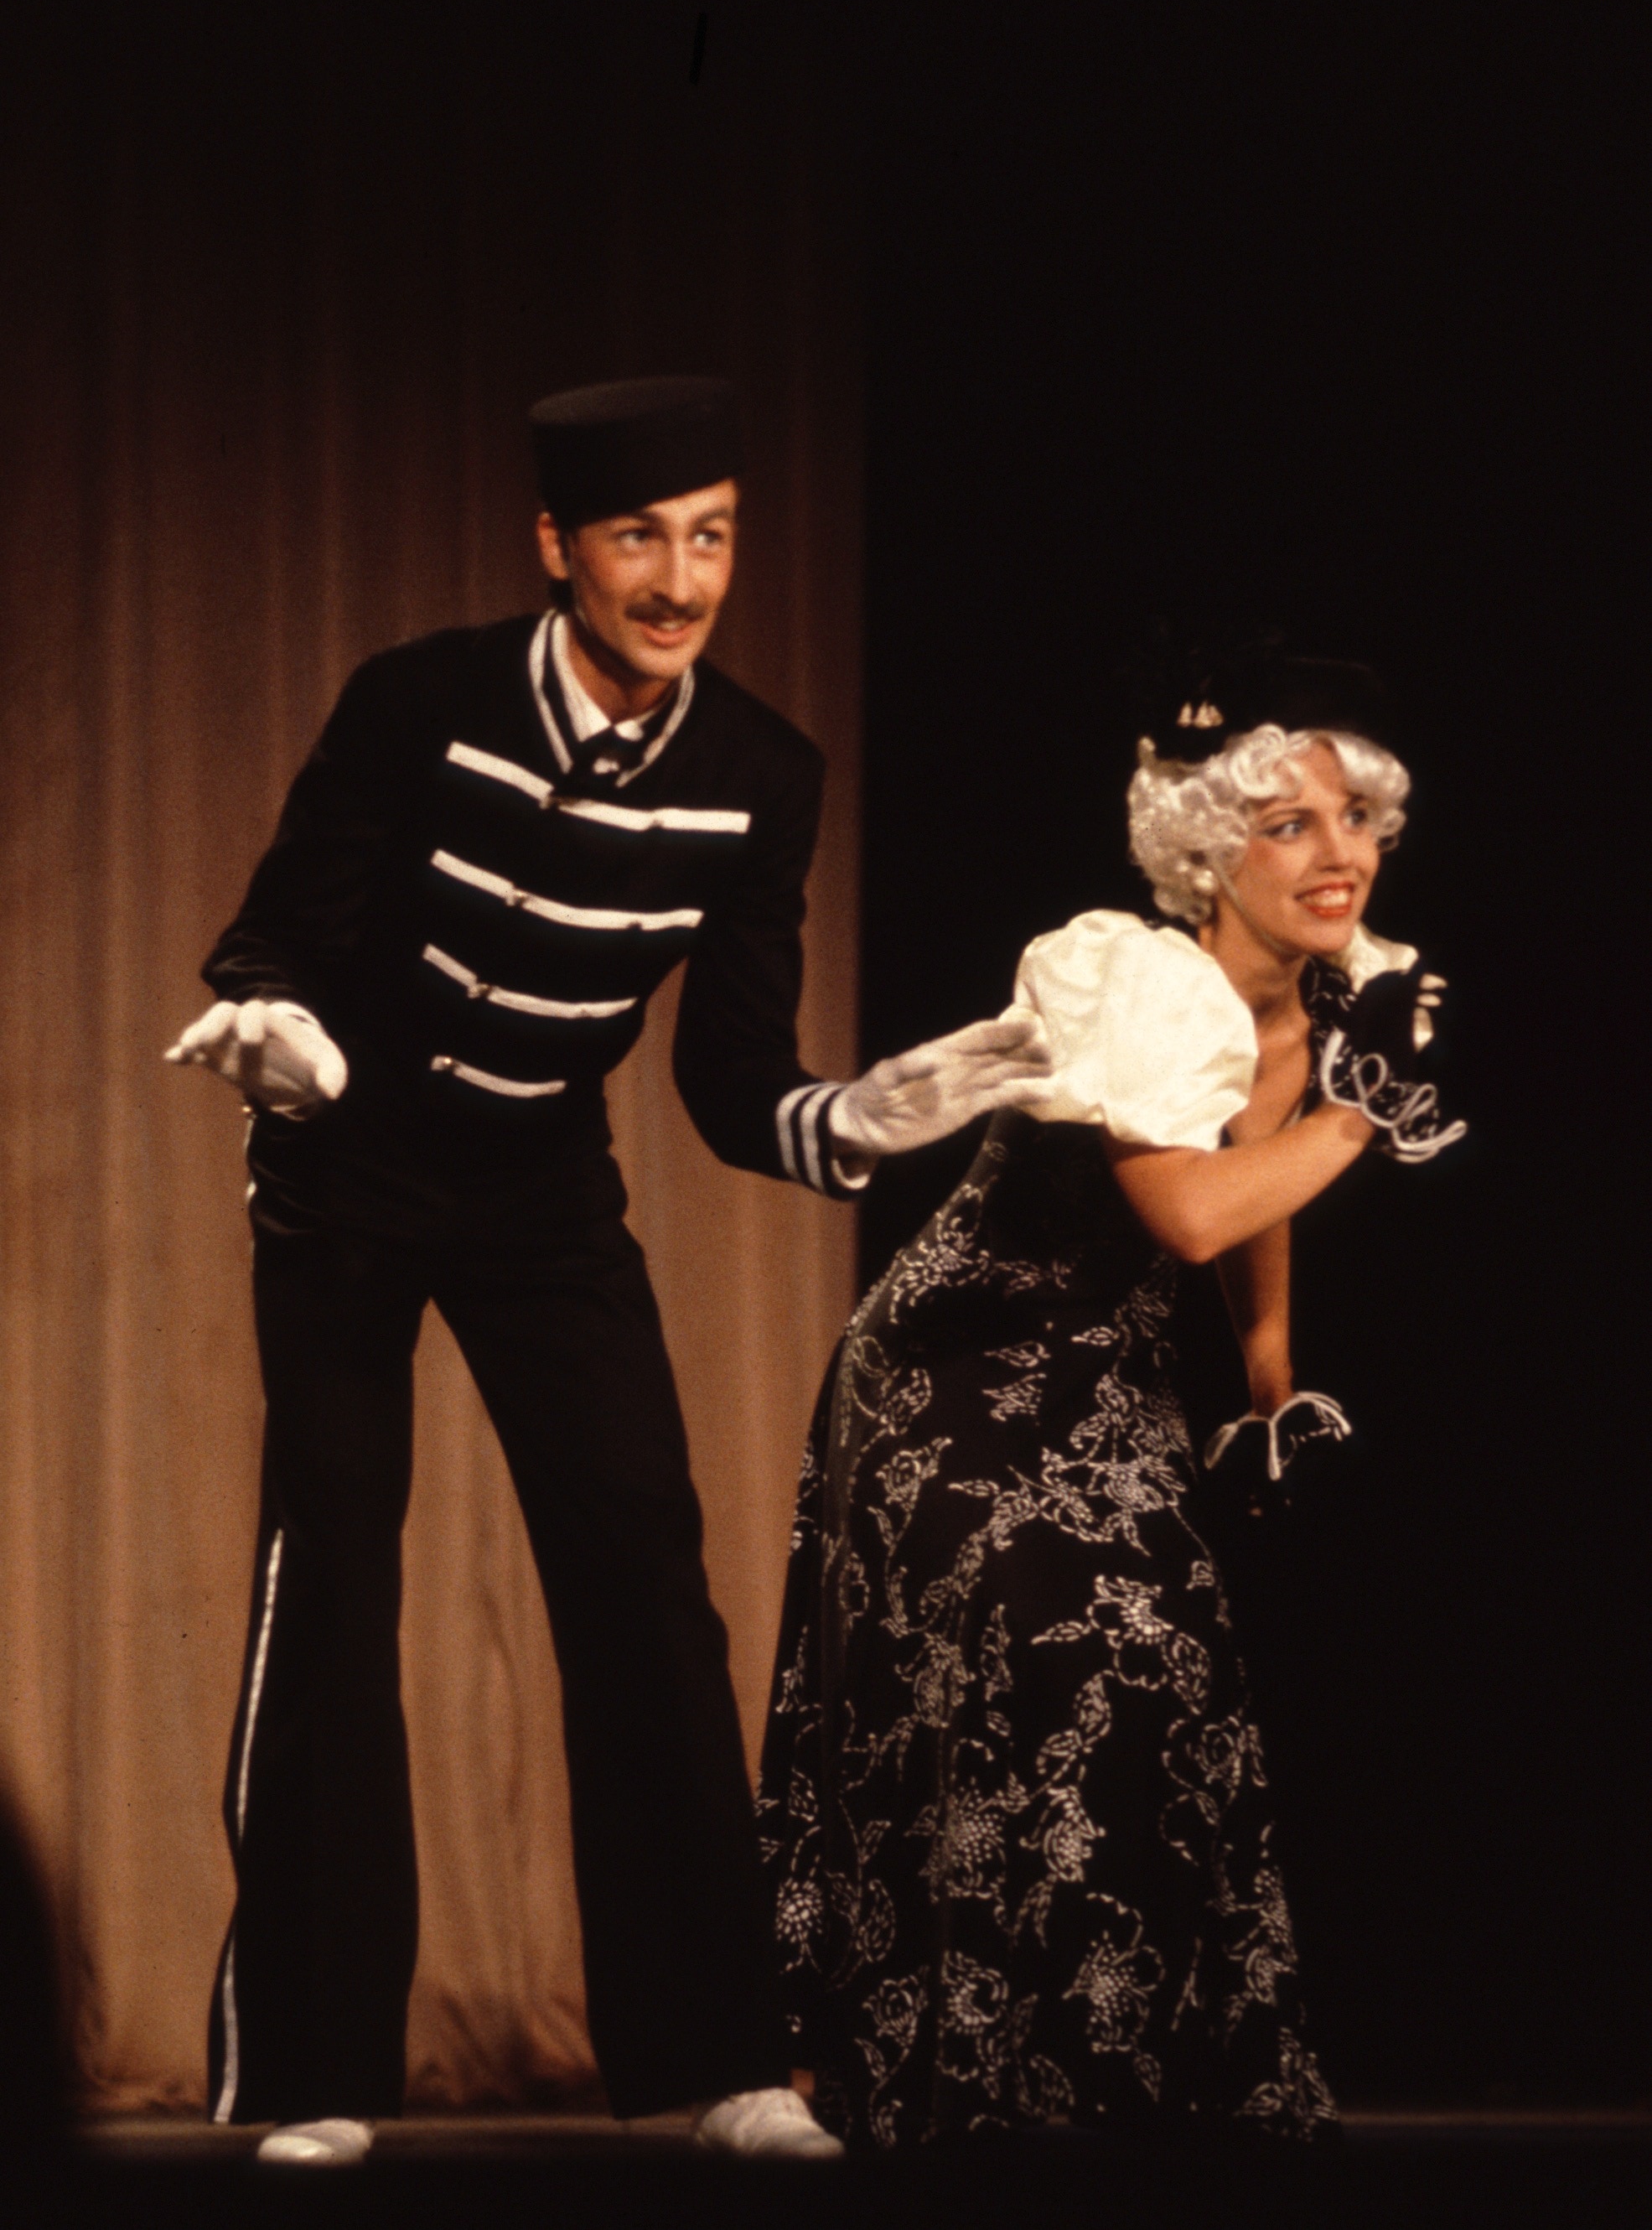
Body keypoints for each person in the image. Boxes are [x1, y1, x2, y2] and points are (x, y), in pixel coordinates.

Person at [165, 376, 1050, 2165]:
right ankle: (315, 2071)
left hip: (542, 1194)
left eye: (711, 536)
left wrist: (861, 1118)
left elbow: (731, 1081)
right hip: (344, 1168)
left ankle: (725, 2059)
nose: (679, 578)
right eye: (641, 536)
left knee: (645, 1582)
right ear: (558, 547)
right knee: (331, 1570)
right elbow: (273, 936)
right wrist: (278, 1034)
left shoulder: (763, 776)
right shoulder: (421, 701)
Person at [758, 651, 1463, 2149]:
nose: (1337, 853)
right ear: (1209, 850)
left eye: (1353, 819)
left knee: (1174, 1676)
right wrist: (1359, 1113)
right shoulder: (1136, 977)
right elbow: (1193, 1211)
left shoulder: (1337, 991)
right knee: (1042, 1674)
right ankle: (974, 2074)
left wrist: (1270, 1383)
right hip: (954, 1369)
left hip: (1107, 1372)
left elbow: (1257, 1191)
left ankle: (1132, 2073)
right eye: (1288, 825)